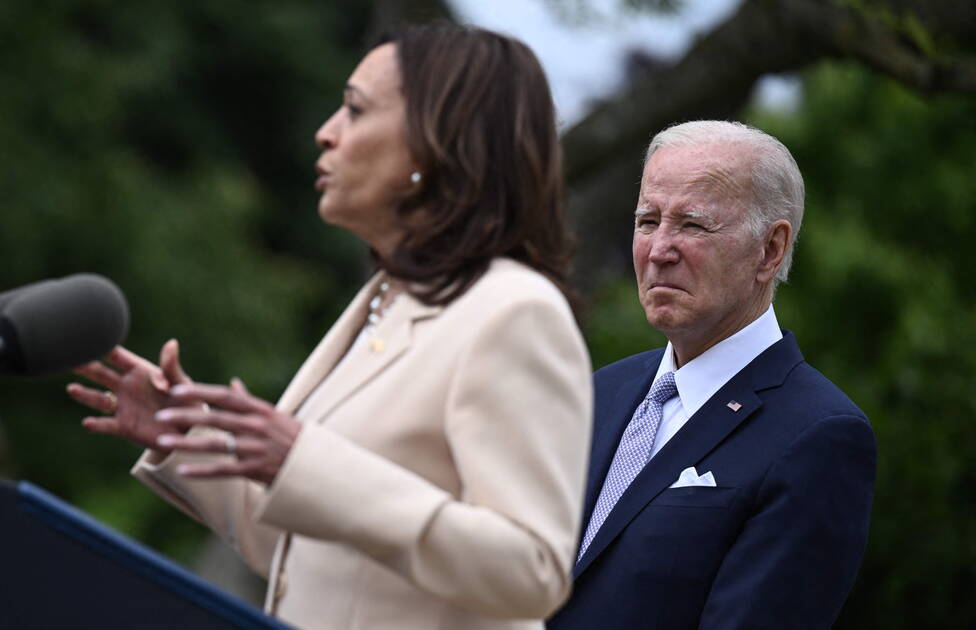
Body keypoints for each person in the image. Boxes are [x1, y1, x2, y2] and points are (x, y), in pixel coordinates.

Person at [67, 23, 592, 630]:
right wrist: (186, 438)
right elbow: (299, 549)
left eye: (354, 109)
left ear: (435, 141)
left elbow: (530, 571)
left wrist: (307, 463)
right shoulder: (384, 301)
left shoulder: (514, 311)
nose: (327, 131)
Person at [547, 120, 877, 629]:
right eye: (647, 221)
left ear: (770, 250)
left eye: (693, 225)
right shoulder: (600, 393)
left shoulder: (819, 434)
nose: (659, 250)